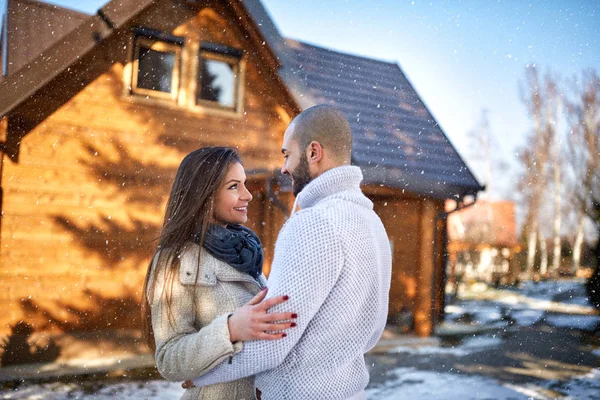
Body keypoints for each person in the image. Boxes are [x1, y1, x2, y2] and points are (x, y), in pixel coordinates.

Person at [189, 105, 392, 400]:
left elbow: (273, 339)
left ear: (313, 153)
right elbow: (372, 330)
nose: (283, 167)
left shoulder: (314, 224)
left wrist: (202, 372)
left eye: (287, 154)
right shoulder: (372, 223)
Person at [141, 147, 297, 400]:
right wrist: (231, 329)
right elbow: (169, 359)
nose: (247, 195)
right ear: (204, 195)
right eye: (234, 186)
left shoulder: (245, 252)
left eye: (244, 184)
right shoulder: (174, 260)